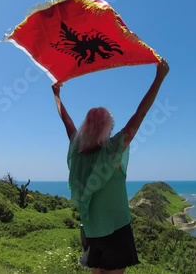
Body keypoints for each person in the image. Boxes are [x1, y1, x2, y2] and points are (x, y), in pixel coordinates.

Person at [52, 58, 169, 273]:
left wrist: (57, 96)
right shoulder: (112, 151)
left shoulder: (77, 151)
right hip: (116, 228)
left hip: (90, 230)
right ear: (108, 128)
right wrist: (159, 78)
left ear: (86, 127)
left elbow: (67, 122)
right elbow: (140, 114)